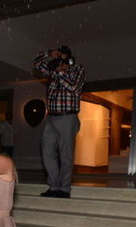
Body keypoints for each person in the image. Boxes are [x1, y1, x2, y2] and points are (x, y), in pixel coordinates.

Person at [33, 45, 85, 198]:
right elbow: (36, 62)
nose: (59, 62)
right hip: (51, 117)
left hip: (68, 117)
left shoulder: (77, 70)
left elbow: (74, 87)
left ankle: (64, 188)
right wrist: (49, 53)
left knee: (65, 154)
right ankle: (54, 186)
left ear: (69, 59)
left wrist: (61, 72)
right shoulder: (53, 71)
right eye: (58, 58)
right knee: (47, 151)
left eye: (62, 58)